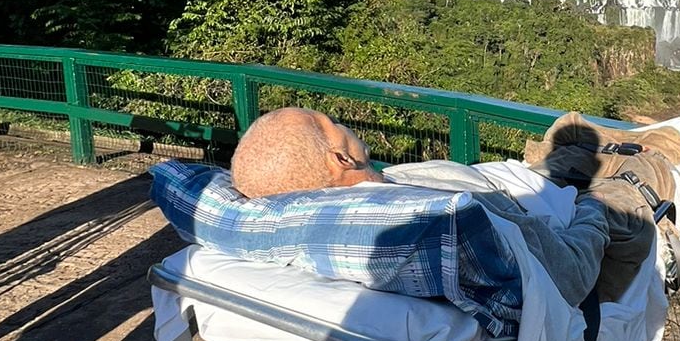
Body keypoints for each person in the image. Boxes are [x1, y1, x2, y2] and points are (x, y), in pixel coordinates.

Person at [228, 106, 658, 304]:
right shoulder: (454, 221)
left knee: (571, 134)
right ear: (342, 159)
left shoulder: (356, 204)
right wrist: (595, 209)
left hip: (512, 180)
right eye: (333, 124)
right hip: (556, 209)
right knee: (646, 169)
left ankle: (589, 145)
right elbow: (572, 272)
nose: (342, 120)